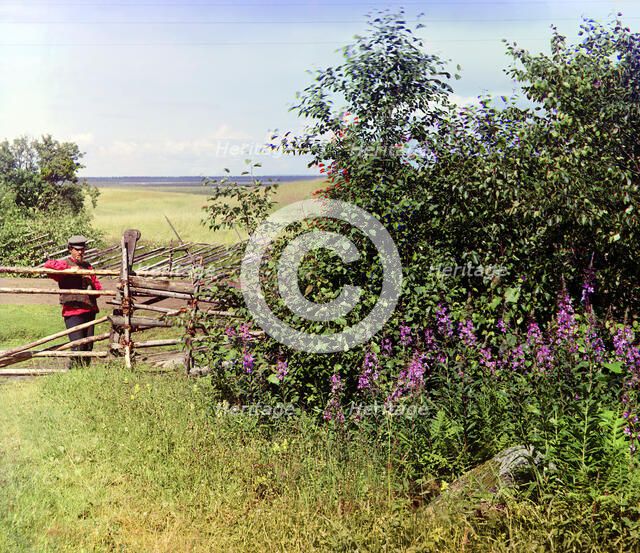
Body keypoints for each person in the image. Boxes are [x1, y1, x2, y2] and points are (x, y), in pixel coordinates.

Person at [44, 235, 103, 367]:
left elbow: (98, 289)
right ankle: (74, 372)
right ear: (70, 249)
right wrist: (69, 270)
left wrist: (90, 283)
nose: (80, 252)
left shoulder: (88, 267)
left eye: (82, 249)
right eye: (77, 249)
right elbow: (48, 265)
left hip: (89, 310)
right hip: (73, 312)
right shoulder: (65, 263)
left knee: (88, 347)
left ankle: (84, 375)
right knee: (77, 346)